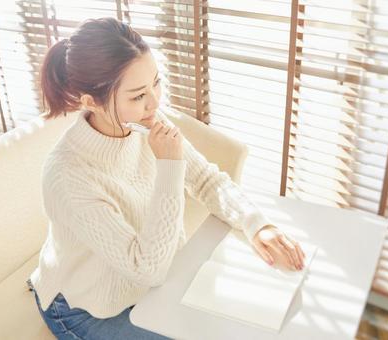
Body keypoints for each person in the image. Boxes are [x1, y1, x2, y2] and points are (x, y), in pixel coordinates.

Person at [27, 17, 306, 340]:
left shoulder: (142, 121)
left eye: (156, 83)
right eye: (137, 95)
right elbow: (147, 268)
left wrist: (257, 223)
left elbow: (206, 181)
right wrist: (169, 165)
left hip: (147, 282)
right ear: (91, 102)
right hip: (84, 309)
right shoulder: (68, 176)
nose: (155, 102)